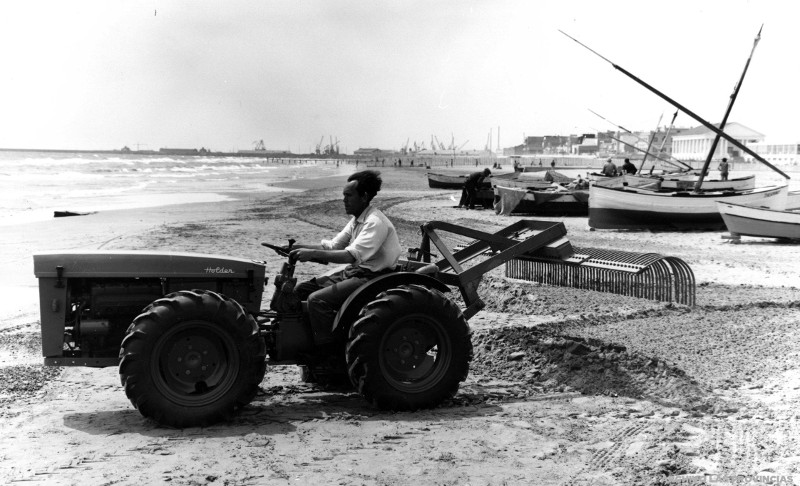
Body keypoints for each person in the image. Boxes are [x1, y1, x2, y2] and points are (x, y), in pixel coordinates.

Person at [290, 170, 402, 349]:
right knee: (299, 290)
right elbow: (334, 246)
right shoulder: (357, 220)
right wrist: (298, 247)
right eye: (344, 195)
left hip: (372, 277)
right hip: (356, 272)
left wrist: (311, 255)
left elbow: (350, 255)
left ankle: (329, 350)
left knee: (317, 300)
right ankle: (304, 341)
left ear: (364, 197)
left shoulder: (375, 222)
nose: (344, 200)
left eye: (349, 195)